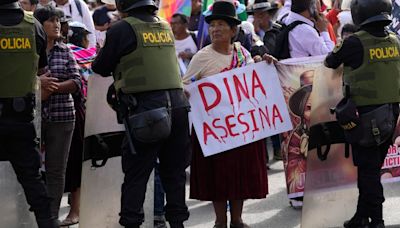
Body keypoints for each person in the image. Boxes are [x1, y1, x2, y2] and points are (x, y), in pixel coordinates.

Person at [92, 0, 191, 227]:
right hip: (178, 109)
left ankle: (131, 222)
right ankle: (178, 223)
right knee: (174, 175)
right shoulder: (164, 25)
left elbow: (100, 67)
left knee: (136, 177)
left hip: (147, 113)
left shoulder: (121, 28)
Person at [183, 2, 269, 228]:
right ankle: (220, 220)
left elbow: (253, 82)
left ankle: (237, 219)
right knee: (218, 175)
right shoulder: (202, 57)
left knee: (240, 172)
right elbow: (184, 86)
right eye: (212, 25)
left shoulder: (242, 52)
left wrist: (264, 63)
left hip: (240, 126)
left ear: (233, 30)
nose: (215, 29)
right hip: (216, 129)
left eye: (221, 24)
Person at [325, 0, 400, 227]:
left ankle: (376, 220)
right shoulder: (395, 40)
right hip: (391, 114)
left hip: (366, 116)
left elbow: (330, 61)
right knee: (371, 167)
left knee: (368, 170)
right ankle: (361, 216)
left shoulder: (354, 42)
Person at [0, 0, 58, 227]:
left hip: (17, 117)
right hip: (21, 118)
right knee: (33, 182)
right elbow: (41, 69)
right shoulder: (33, 25)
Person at [34, 5, 81, 221]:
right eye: (51, 21)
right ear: (39, 26)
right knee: (31, 170)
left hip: (63, 117)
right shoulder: (31, 50)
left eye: (58, 21)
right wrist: (37, 85)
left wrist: (53, 88)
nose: (56, 25)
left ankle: (50, 218)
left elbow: (77, 81)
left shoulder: (66, 50)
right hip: (33, 119)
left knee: (56, 171)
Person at [61, 21, 96, 227]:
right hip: (86, 114)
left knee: (71, 163)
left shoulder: (64, 52)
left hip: (73, 112)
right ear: (82, 37)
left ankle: (75, 209)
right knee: (78, 163)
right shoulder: (90, 56)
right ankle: (76, 209)